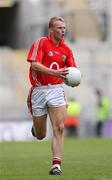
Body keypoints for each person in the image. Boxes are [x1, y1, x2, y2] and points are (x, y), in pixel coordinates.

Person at [27, 16, 79, 175]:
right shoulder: (41, 43)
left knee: (60, 127)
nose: (63, 31)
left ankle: (56, 165)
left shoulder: (66, 50)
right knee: (41, 135)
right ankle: (36, 128)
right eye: (59, 28)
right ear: (51, 29)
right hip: (39, 90)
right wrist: (55, 72)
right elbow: (34, 64)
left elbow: (72, 71)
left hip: (57, 90)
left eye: (64, 28)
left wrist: (74, 79)